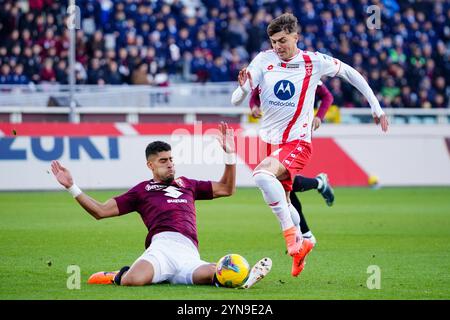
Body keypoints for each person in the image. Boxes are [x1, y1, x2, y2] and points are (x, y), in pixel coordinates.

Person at [231, 13, 389, 277]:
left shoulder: (313, 61)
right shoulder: (264, 59)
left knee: (260, 175)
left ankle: (292, 239)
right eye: (273, 41)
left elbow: (351, 73)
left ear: (296, 36)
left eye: (282, 40)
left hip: (298, 142)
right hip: (271, 143)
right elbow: (237, 99)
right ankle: (307, 241)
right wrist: (244, 89)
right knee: (283, 199)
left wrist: (376, 107)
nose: (277, 46)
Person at [51, 123, 270, 288]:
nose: (170, 164)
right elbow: (100, 211)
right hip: (161, 250)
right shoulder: (141, 191)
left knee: (218, 273)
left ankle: (239, 275)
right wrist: (72, 187)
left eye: (171, 159)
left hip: (188, 253)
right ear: (151, 165)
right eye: (163, 161)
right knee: (132, 281)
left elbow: (226, 188)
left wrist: (230, 155)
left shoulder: (188, 184)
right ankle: (118, 274)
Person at [249, 81, 336, 246]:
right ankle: (319, 184)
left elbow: (327, 96)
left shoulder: (304, 71)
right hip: (272, 137)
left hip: (296, 136)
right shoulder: (268, 70)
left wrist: (319, 116)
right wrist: (254, 107)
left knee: (284, 185)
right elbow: (254, 96)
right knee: (283, 186)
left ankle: (304, 235)